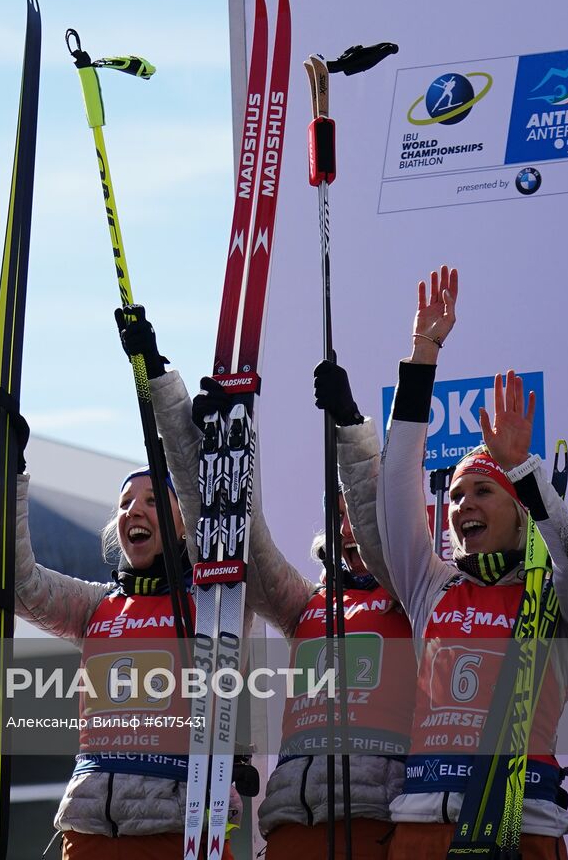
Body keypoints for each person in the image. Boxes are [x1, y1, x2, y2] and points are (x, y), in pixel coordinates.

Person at [0, 319, 236, 860]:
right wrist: (9, 477)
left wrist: (161, 382)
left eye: (154, 501)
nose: (135, 510)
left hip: (178, 830)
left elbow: (206, 503)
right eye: (126, 504)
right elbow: (17, 580)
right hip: (89, 832)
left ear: (184, 524)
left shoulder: (215, 599)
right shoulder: (97, 608)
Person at [373, 265, 568, 859]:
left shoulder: (553, 594)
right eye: (454, 495)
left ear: (519, 509)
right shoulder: (432, 585)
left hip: (522, 826)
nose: (462, 505)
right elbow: (396, 482)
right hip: (422, 825)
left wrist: (528, 475)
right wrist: (421, 359)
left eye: (482, 491)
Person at [152, 353, 415, 860]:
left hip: (376, 824)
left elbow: (382, 533)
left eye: (355, 518)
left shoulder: (411, 595)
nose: (347, 529)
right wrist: (218, 455)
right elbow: (237, 542)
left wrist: (350, 427)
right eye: (336, 519)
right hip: (293, 824)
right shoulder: (305, 606)